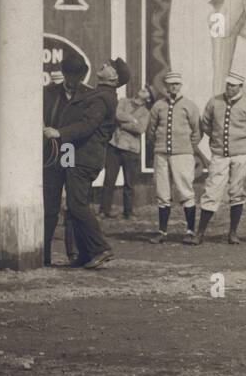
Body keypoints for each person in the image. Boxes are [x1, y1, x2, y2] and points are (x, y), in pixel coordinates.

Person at [42, 54, 120, 269]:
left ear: (83, 74)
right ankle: (45, 255)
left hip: (73, 152)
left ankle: (78, 251)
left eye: (77, 75)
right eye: (69, 74)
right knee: (51, 205)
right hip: (57, 154)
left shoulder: (94, 96)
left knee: (74, 204)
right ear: (64, 73)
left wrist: (58, 133)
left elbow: (87, 126)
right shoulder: (49, 93)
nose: (73, 79)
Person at [193, 72, 246, 244]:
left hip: (241, 155)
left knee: (236, 191)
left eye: (233, 86)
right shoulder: (215, 101)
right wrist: (217, 139)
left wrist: (243, 142)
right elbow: (206, 123)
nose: (230, 88)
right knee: (211, 190)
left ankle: (233, 233)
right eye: (228, 85)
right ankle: (200, 233)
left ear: (240, 87)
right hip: (219, 154)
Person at [147, 71, 206, 242]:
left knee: (185, 190)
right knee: (162, 191)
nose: (173, 87)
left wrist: (188, 147)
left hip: (183, 154)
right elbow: (151, 130)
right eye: (170, 84)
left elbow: (197, 131)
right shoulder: (158, 106)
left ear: (181, 85)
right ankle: (162, 231)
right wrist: (159, 145)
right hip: (161, 153)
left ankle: (189, 230)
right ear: (165, 86)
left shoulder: (189, 105)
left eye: (176, 84)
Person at [101, 83, 152, 219]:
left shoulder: (146, 113)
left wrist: (122, 124)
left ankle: (128, 212)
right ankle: (104, 210)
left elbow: (140, 128)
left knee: (129, 183)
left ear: (148, 99)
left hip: (131, 150)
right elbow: (117, 115)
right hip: (115, 145)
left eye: (147, 91)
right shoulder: (123, 101)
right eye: (144, 88)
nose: (143, 89)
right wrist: (132, 120)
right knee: (109, 180)